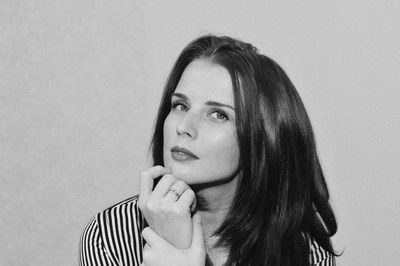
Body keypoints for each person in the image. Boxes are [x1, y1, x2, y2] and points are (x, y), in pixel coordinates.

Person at [79, 34, 338, 266]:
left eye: (218, 114)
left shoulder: (304, 251)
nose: (184, 126)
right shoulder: (110, 236)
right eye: (180, 105)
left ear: (263, 138)